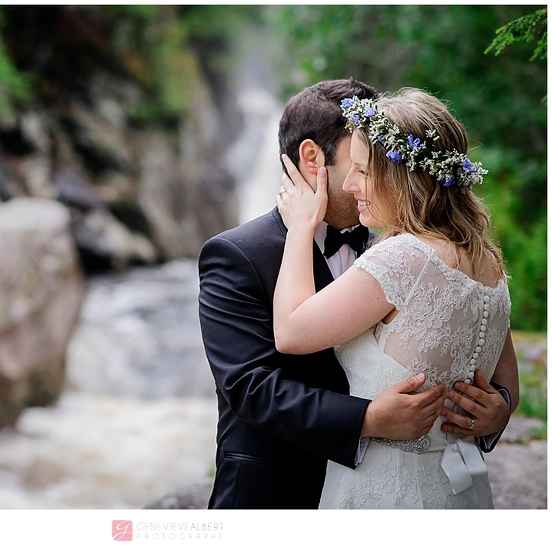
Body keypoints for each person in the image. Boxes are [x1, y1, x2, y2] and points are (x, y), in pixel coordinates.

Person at [198, 79, 511, 509]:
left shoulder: (399, 245)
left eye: (367, 168)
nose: (354, 184)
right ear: (313, 157)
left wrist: (499, 410)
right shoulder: (237, 254)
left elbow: (486, 368)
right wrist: (364, 420)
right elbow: (250, 386)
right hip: (278, 493)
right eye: (357, 163)